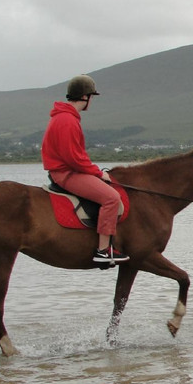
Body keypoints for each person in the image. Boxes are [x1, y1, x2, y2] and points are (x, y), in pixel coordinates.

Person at [41, 75, 129, 263]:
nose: (92, 102)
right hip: (67, 173)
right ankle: (103, 250)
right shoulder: (67, 120)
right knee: (112, 198)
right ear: (85, 97)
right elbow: (74, 158)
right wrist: (98, 173)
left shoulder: (64, 117)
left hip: (66, 171)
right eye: (92, 97)